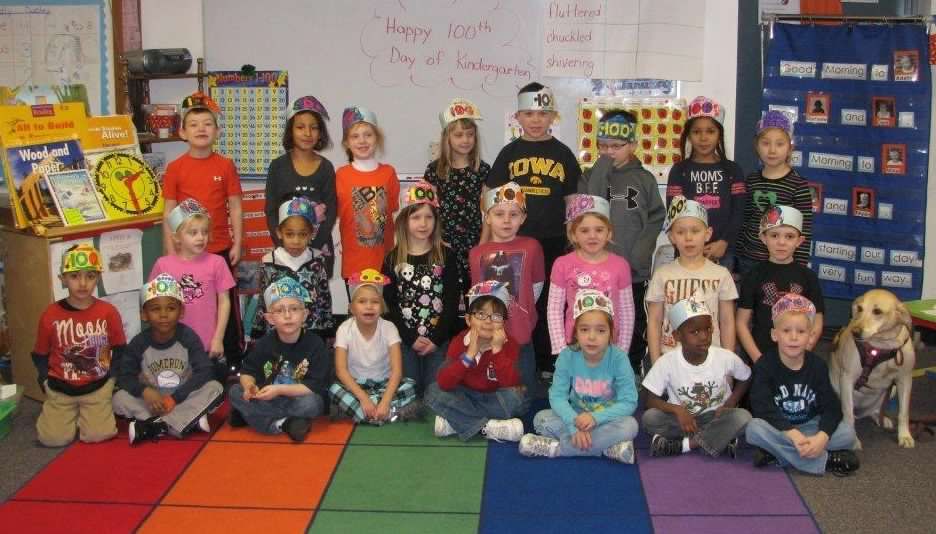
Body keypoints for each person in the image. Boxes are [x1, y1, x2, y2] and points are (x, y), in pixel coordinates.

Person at [484, 82, 581, 378]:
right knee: (516, 301)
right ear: (518, 117)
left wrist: (574, 242)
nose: (536, 120)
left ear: (552, 116)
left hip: (554, 241)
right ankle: (512, 359)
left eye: (542, 114)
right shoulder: (509, 153)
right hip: (515, 242)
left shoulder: (563, 154)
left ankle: (547, 361)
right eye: (529, 114)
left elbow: (573, 200)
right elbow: (490, 196)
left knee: (553, 301)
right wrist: (487, 240)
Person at [579, 109, 666, 375]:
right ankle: (594, 371)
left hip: (632, 271)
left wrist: (640, 255)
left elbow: (656, 218)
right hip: (596, 271)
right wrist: (601, 169)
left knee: (632, 323)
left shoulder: (644, 179)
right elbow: (588, 206)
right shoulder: (590, 176)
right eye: (603, 146)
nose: (609, 152)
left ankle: (629, 370)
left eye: (616, 146)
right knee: (596, 322)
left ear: (633, 145)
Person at [162, 92, 244, 369]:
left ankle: (232, 359)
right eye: (194, 124)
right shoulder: (175, 168)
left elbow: (235, 206)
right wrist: (170, 251)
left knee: (225, 305)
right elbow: (168, 212)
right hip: (185, 252)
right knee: (189, 305)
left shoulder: (225, 165)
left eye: (208, 124)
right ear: (182, 132)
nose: (201, 129)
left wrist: (237, 243)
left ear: (217, 131)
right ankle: (186, 356)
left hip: (219, 249)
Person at [745, 294, 860, 476]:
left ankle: (777, 454)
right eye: (786, 331)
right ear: (775, 335)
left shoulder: (818, 366)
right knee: (753, 429)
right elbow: (762, 407)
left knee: (848, 433)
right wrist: (792, 433)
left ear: (810, 336)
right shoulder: (764, 365)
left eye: (801, 332)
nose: (794, 337)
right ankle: (825, 461)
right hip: (779, 429)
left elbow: (832, 407)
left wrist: (822, 437)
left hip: (810, 425)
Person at [520, 289, 638, 463]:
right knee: (540, 419)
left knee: (630, 425)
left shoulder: (619, 358)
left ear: (611, 333)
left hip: (606, 419)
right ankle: (606, 448)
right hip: (575, 417)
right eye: (584, 329)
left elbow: (629, 402)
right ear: (575, 332)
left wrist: (595, 418)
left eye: (600, 331)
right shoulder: (567, 356)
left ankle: (558, 449)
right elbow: (557, 396)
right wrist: (573, 425)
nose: (592, 337)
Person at [32, 244, 126, 446]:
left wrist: (111, 380)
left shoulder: (108, 312)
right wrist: (45, 381)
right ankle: (67, 416)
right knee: (51, 439)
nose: (83, 283)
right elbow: (39, 354)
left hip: (97, 388)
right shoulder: (50, 315)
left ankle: (84, 416)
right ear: (63, 279)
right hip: (60, 389)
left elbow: (120, 349)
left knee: (98, 435)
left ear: (98, 278)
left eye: (90, 276)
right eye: (74, 276)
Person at [113, 274, 223, 445]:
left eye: (171, 308)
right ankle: (183, 421)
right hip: (152, 401)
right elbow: (125, 376)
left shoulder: (188, 337)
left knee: (214, 387)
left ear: (181, 312)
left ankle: (155, 426)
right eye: (155, 309)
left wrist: (175, 398)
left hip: (182, 397)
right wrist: (144, 391)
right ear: (144, 314)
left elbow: (205, 371)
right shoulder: (138, 343)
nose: (163, 315)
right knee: (119, 398)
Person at [642, 298, 751, 458]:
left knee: (743, 417)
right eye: (695, 332)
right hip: (684, 420)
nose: (704, 336)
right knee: (650, 418)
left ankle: (684, 445)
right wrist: (678, 410)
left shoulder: (724, 357)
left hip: (716, 416)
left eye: (708, 329)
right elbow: (650, 400)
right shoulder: (667, 362)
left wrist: (730, 402)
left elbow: (746, 377)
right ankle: (719, 438)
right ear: (677, 335)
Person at [228, 278, 333, 442]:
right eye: (279, 310)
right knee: (235, 391)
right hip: (269, 396)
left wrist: (279, 390)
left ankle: (250, 414)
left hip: (299, 398)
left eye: (294, 309)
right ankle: (285, 423)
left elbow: (314, 386)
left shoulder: (315, 344)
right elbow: (248, 372)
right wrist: (249, 387)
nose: (288, 315)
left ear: (305, 315)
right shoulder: (265, 343)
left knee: (313, 404)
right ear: (270, 319)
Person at [425, 281, 529, 442]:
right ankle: (486, 428)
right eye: (480, 314)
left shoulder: (510, 344)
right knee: (433, 391)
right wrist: (469, 355)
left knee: (518, 398)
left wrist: (497, 351)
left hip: (496, 397)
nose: (488, 321)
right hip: (465, 396)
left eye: (496, 316)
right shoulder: (460, 341)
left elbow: (511, 383)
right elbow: (444, 382)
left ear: (504, 323)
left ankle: (456, 422)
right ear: (468, 319)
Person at [382, 181, 460, 395]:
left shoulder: (446, 256)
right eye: (415, 217)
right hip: (405, 340)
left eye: (428, 217)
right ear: (404, 221)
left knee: (435, 392)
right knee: (409, 391)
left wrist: (436, 339)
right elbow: (390, 305)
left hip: (438, 339)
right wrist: (410, 338)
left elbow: (452, 301)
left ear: (436, 220)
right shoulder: (392, 259)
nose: (423, 223)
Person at [469, 182, 543, 393]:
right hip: (488, 333)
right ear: (488, 218)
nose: (507, 220)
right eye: (499, 214)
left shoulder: (532, 246)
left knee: (525, 387)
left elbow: (536, 285)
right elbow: (476, 294)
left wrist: (523, 309)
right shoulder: (476, 253)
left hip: (521, 333)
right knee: (493, 385)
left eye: (514, 214)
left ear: (523, 218)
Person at [646, 197, 737, 364]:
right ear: (671, 237)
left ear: (707, 234)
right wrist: (655, 363)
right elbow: (654, 321)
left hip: (711, 360)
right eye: (680, 232)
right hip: (671, 360)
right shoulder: (662, 275)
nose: (688, 237)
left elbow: (727, 322)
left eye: (695, 231)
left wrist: (729, 365)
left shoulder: (722, 274)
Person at [151, 199, 235, 380]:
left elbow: (224, 301)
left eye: (204, 232)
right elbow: (153, 304)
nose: (200, 237)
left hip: (207, 344)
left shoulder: (217, 263)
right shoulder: (163, 265)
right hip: (173, 346)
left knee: (209, 387)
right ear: (176, 237)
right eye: (193, 232)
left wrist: (218, 338)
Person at [329, 269, 422, 424]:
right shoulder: (344, 329)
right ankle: (390, 414)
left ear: (382, 306)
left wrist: (385, 401)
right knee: (334, 389)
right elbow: (341, 371)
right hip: (356, 386)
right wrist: (364, 398)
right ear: (351, 308)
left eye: (375, 302)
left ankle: (368, 413)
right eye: (362, 301)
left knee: (410, 385)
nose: (369, 306)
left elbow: (397, 371)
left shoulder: (389, 328)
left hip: (384, 385)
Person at [547, 194, 633, 358]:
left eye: (599, 230)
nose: (592, 236)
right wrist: (560, 348)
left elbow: (627, 311)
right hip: (574, 346)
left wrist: (622, 349)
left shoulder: (620, 265)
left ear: (609, 233)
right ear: (573, 235)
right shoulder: (562, 264)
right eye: (584, 230)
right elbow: (554, 309)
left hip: (610, 346)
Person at [666, 96, 745, 271]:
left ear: (719, 134)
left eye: (710, 131)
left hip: (723, 252)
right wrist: (690, 245)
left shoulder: (733, 170)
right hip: (687, 251)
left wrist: (724, 242)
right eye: (696, 132)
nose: (703, 138)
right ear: (688, 135)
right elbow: (674, 214)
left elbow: (739, 212)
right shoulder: (679, 171)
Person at [737, 206, 824, 363]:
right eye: (774, 235)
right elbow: (741, 323)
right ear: (764, 238)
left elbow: (817, 319)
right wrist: (758, 360)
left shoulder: (808, 276)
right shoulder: (754, 275)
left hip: (797, 358)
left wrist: (802, 351)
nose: (781, 242)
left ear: (799, 241)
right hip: (760, 356)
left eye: (789, 236)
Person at [265, 95, 337, 275]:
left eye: (314, 127)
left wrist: (311, 248)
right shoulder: (277, 166)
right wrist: (284, 244)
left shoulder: (326, 167)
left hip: (318, 251)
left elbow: (331, 212)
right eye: (300, 127)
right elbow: (271, 210)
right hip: (286, 252)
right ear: (290, 131)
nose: (307, 133)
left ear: (320, 132)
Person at [423, 97, 490, 289]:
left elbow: (490, 212)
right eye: (459, 135)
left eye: (470, 135)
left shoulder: (482, 170)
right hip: (443, 243)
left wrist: (483, 244)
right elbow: (427, 209)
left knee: (474, 292)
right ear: (447, 137)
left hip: (474, 242)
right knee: (446, 293)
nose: (465, 140)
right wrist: (436, 240)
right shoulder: (434, 170)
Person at [736, 111, 813, 274]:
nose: (772, 150)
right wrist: (737, 259)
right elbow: (745, 220)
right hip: (749, 260)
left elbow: (804, 228)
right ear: (757, 146)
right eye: (766, 143)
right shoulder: (751, 180)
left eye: (779, 144)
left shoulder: (798, 184)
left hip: (781, 262)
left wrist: (799, 268)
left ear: (790, 148)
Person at [252, 197, 332, 340]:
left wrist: (327, 329)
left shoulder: (317, 261)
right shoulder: (269, 262)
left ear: (311, 234)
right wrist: (258, 329)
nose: (296, 241)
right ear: (279, 233)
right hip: (278, 334)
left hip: (311, 333)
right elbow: (263, 300)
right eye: (290, 234)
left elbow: (324, 297)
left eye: (302, 234)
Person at [335, 107, 400, 282]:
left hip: (384, 264)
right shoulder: (341, 175)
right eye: (355, 136)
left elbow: (394, 212)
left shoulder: (388, 173)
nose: (362, 141)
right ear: (346, 142)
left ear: (376, 138)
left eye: (368, 135)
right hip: (354, 265)